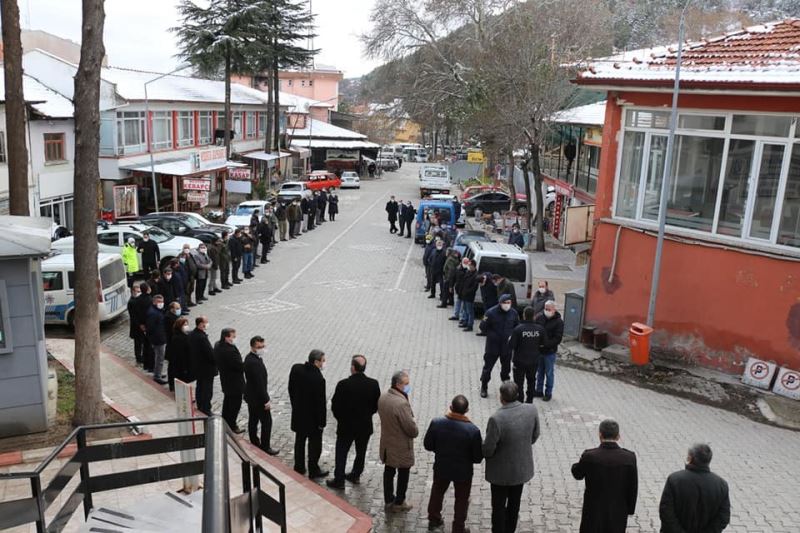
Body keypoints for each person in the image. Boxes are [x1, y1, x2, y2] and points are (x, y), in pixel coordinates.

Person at [483, 381, 541, 533]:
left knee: (498, 506)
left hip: (500, 473)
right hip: (520, 469)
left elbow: (488, 449)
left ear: (501, 397)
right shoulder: (531, 410)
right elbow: (535, 435)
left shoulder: (496, 418)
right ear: (518, 395)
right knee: (514, 504)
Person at [424, 395, 483, 533]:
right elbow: (477, 457)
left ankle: (434, 519)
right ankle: (458, 528)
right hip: (463, 472)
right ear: (467, 410)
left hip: (442, 466)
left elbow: (428, 445)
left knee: (437, 492)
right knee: (461, 499)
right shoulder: (473, 431)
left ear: (451, 407)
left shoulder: (437, 422)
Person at [571, 419, 638, 533]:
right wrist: (630, 509)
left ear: (600, 435)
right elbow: (633, 486)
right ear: (618, 436)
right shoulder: (629, 457)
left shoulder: (590, 456)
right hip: (618, 509)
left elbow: (577, 474)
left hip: (594, 509)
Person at [327, 355, 381, 489]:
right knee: (361, 452)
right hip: (364, 426)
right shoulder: (373, 384)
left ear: (352, 367)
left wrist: (341, 419)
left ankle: (339, 479)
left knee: (341, 452)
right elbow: (376, 405)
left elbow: (335, 406)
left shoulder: (343, 384)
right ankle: (355, 474)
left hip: (346, 426)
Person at [659, 444, 730, 533]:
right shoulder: (721, 485)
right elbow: (723, 517)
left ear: (690, 458)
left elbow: (666, 512)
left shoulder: (674, 479)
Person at [377, 370, 418, 513]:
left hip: (387, 444)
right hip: (401, 446)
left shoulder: (383, 397)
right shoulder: (401, 403)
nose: (408, 386)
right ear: (397, 384)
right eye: (406, 384)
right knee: (403, 473)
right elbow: (411, 429)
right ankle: (399, 501)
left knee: (388, 471)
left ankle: (388, 499)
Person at [288, 349, 328, 478]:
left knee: (299, 441)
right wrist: (322, 422)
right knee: (314, 445)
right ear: (316, 362)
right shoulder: (318, 379)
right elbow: (320, 404)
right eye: (323, 361)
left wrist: (295, 404)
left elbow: (291, 389)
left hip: (299, 414)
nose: (324, 363)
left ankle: (299, 466)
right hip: (312, 420)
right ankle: (313, 468)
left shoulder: (296, 369)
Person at [479, 294, 520, 398]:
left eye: (509, 303)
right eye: (505, 303)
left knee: (506, 370)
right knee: (487, 368)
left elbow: (517, 327)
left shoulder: (513, 313)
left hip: (506, 347)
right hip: (493, 346)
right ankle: (484, 387)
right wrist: (492, 335)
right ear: (500, 303)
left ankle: (506, 390)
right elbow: (482, 326)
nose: (507, 305)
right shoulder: (491, 312)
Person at [243, 336, 279, 455]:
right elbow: (259, 384)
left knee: (253, 419)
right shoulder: (254, 362)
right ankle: (265, 446)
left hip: (251, 396)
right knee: (266, 422)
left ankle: (254, 441)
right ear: (252, 347)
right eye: (259, 347)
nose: (262, 349)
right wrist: (266, 400)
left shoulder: (251, 358)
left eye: (263, 346)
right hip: (258, 399)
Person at [509, 306, 547, 403]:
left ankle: (520, 399)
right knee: (531, 381)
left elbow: (512, 345)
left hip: (519, 361)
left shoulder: (518, 329)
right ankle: (529, 400)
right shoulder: (540, 329)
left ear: (524, 315)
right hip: (533, 361)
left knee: (518, 383)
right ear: (534, 316)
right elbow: (544, 344)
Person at [214, 327, 245, 433]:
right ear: (226, 337)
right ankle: (232, 425)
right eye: (233, 337)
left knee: (227, 401)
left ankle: (225, 420)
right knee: (235, 404)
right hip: (235, 382)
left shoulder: (218, 345)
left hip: (225, 379)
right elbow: (239, 366)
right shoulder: (230, 350)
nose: (235, 339)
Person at [534, 300, 564, 401]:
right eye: (545, 309)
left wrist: (545, 344)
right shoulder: (539, 317)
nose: (546, 311)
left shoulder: (559, 322)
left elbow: (557, 338)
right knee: (539, 372)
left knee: (549, 373)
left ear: (554, 310)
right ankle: (539, 390)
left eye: (549, 309)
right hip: (539, 351)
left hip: (549, 352)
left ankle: (548, 392)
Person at [188, 316, 216, 415]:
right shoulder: (202, 337)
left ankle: (200, 405)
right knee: (207, 390)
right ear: (201, 324)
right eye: (206, 322)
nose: (207, 324)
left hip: (198, 366)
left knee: (200, 387)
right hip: (206, 368)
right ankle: (206, 408)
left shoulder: (192, 334)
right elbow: (210, 354)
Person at [145, 294, 168, 385]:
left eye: (162, 301)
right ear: (154, 302)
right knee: (160, 358)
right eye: (159, 302)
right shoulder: (153, 313)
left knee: (159, 357)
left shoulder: (157, 311)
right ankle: (157, 376)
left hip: (159, 337)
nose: (161, 303)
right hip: (158, 339)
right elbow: (151, 328)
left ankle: (157, 372)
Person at [166, 317, 193, 392]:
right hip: (181, 363)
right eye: (184, 325)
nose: (186, 326)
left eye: (187, 324)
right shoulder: (178, 338)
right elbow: (180, 354)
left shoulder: (184, 334)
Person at [459, 259, 480, 332]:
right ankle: (465, 322)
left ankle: (470, 325)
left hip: (469, 296)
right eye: (468, 265)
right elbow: (464, 282)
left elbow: (474, 288)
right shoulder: (468, 272)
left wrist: (467, 292)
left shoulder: (475, 275)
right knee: (465, 309)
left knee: (470, 311)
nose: (469, 266)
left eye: (470, 265)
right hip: (464, 295)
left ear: (473, 266)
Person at [127, 284, 146, 365]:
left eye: (140, 291)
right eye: (137, 291)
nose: (139, 293)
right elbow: (133, 316)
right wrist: (140, 325)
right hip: (136, 326)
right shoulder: (131, 302)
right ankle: (138, 357)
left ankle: (142, 356)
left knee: (142, 342)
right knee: (137, 343)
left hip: (141, 324)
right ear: (133, 292)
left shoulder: (138, 300)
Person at [449, 257, 469, 324]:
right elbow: (453, 278)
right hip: (458, 289)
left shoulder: (468, 271)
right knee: (457, 303)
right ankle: (456, 315)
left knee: (463, 305)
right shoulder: (458, 269)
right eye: (464, 263)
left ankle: (462, 317)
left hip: (464, 290)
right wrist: (451, 286)